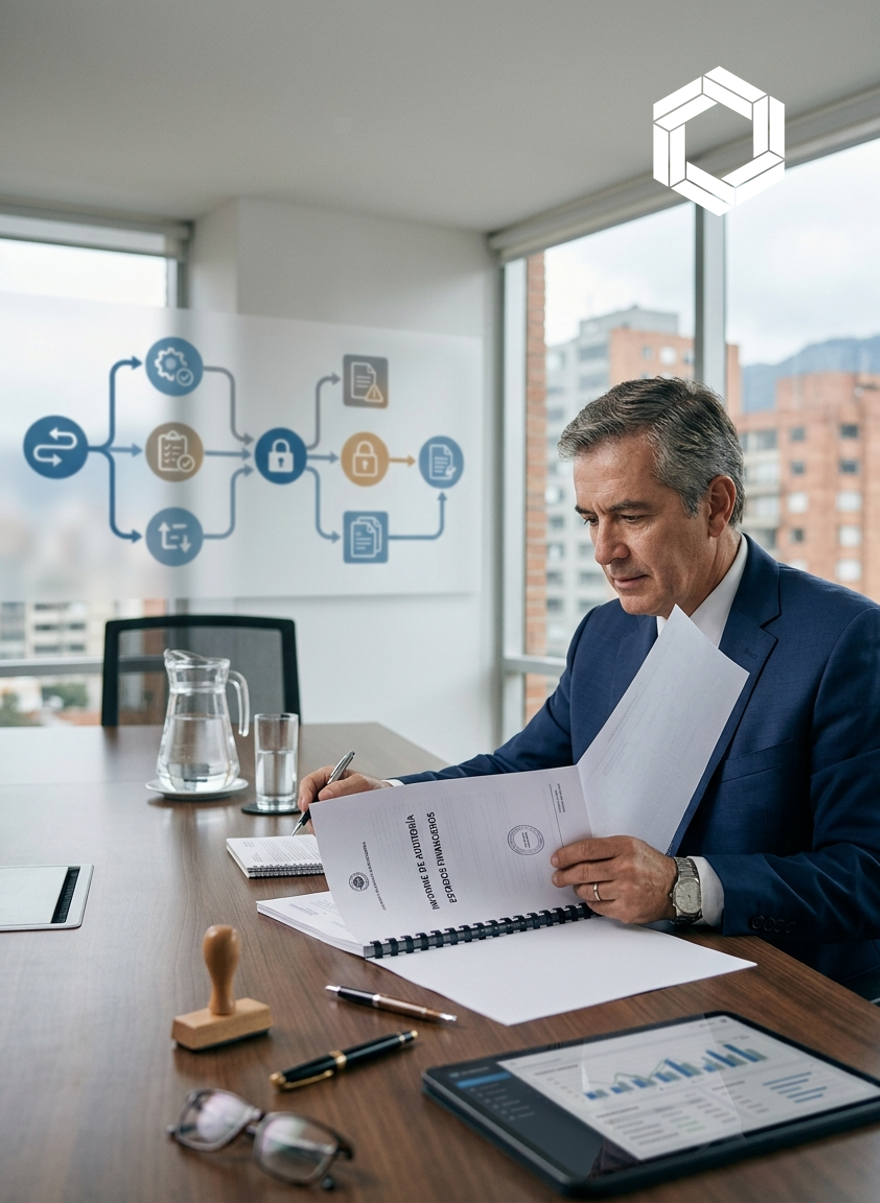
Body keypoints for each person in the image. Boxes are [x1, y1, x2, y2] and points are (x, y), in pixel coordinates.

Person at [300, 377, 880, 993]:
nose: (604, 551)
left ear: (715, 505)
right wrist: (387, 799)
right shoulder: (604, 632)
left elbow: (866, 873)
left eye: (631, 516)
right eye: (590, 520)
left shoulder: (844, 639)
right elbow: (521, 767)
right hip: (611, 965)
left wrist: (682, 886)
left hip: (784, 992)